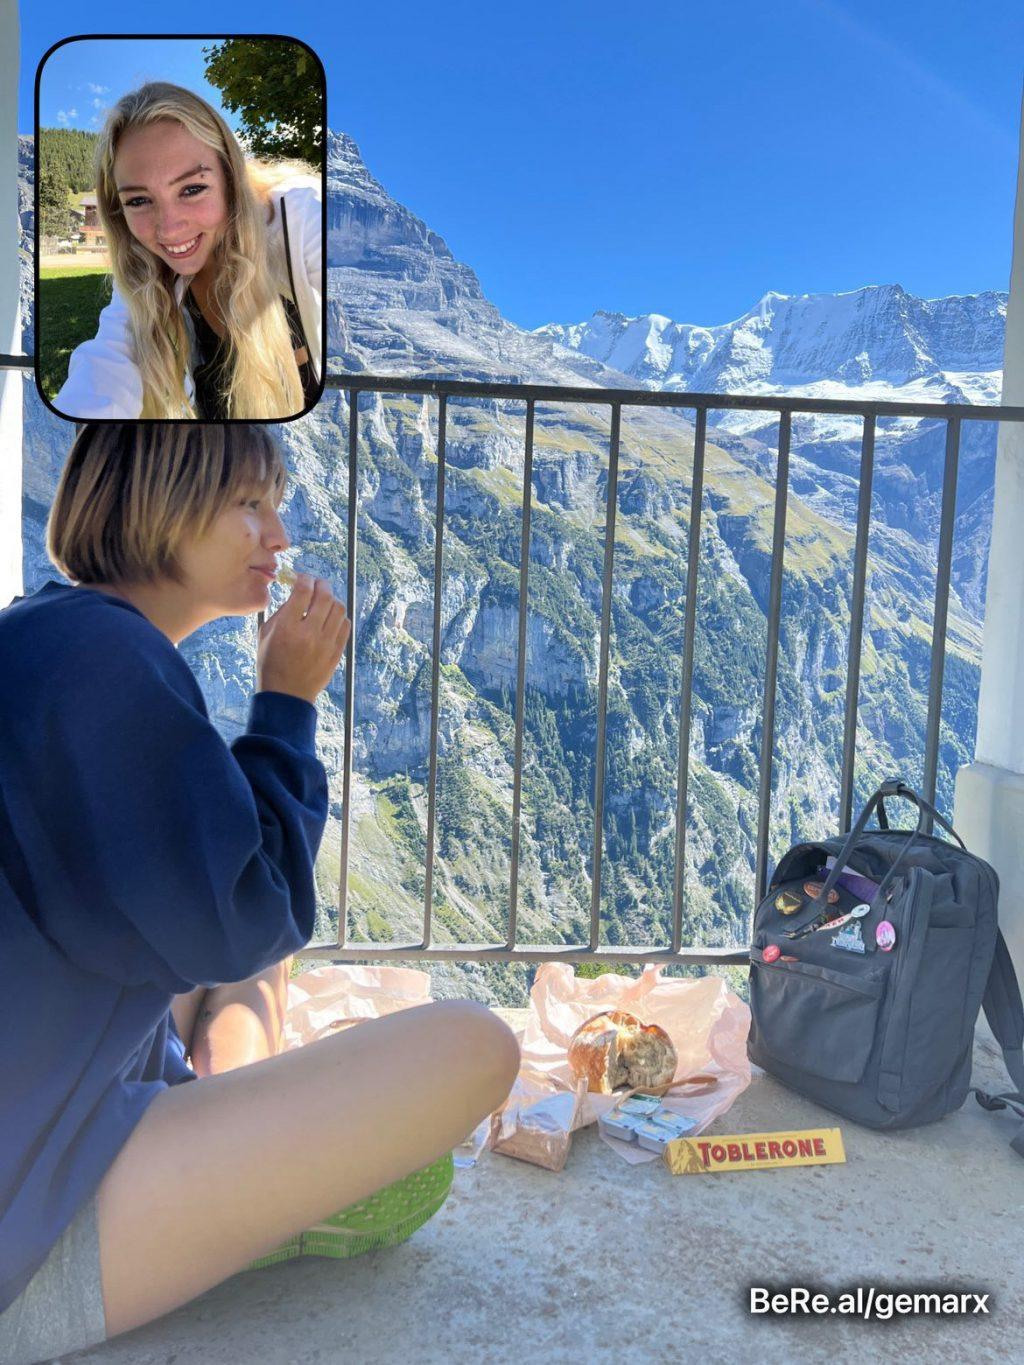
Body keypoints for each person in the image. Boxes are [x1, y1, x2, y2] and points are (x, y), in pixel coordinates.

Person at [0, 423, 521, 1364]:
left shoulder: (50, 632)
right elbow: (250, 913)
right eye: (251, 503)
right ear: (159, 501)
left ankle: (237, 1108)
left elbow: (208, 906)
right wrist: (288, 701)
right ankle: (250, 1165)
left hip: (41, 1101)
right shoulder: (105, 664)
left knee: (255, 967)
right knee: (475, 1046)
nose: (278, 536)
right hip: (27, 1234)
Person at [51, 82, 324, 421]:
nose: (168, 229)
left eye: (192, 189)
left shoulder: (304, 217)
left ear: (230, 178)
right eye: (138, 200)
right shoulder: (145, 266)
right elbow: (108, 362)